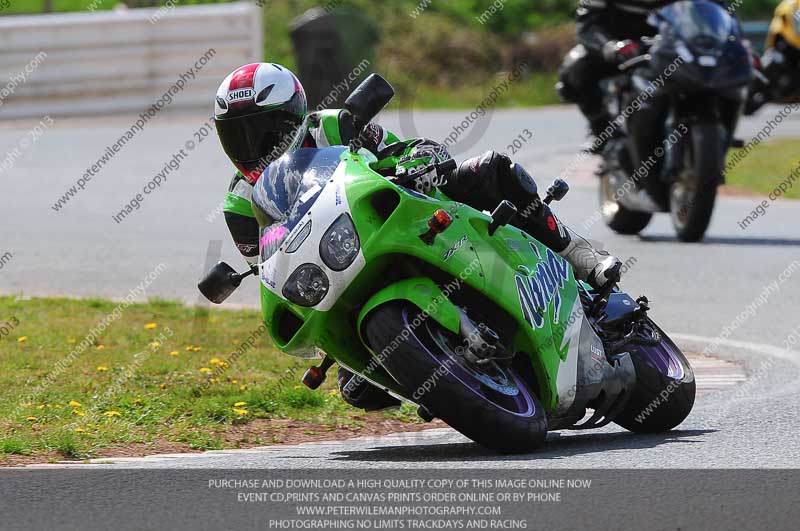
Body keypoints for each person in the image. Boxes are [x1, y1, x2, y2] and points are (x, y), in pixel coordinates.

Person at [214, 62, 622, 411]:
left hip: (412, 210)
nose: (253, 147)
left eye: (264, 132)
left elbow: (403, 148)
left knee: (492, 169)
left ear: (295, 115)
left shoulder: (335, 126)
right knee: (358, 390)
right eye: (237, 136)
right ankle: (455, 377)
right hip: (343, 260)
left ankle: (575, 252)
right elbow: (273, 266)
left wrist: (420, 158)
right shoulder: (239, 204)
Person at [558, 0, 730, 147]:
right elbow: (587, 24)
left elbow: (720, 14)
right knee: (574, 70)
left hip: (676, 48)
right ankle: (603, 131)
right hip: (622, 48)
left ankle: (719, 126)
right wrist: (610, 46)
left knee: (744, 71)